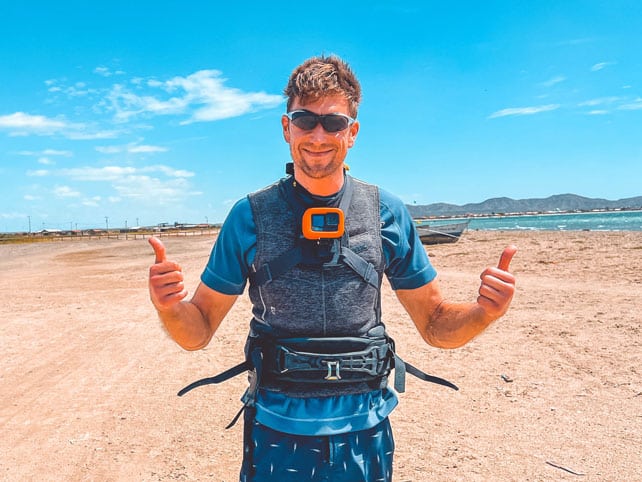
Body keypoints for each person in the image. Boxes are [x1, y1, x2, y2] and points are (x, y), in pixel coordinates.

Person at [148, 55, 517, 482]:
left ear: (352, 133)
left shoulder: (387, 212)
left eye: (334, 122)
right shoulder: (248, 216)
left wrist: (484, 312)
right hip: (277, 431)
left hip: (365, 433)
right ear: (286, 128)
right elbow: (198, 331)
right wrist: (170, 306)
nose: (318, 134)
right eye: (305, 119)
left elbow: (435, 326)